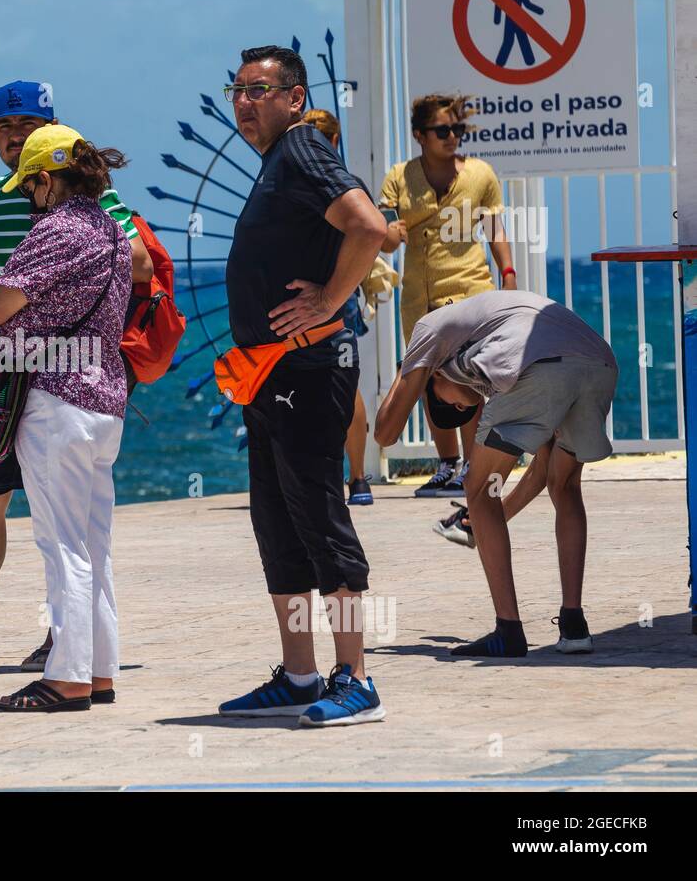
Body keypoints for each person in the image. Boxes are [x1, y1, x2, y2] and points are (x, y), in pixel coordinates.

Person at [0, 81, 150, 674]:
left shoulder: (85, 208)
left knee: (62, 532)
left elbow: (139, 260)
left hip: (55, 378)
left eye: (25, 124)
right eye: (3, 126)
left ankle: (64, 654)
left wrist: (41, 281)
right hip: (3, 377)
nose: (14, 135)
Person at [215, 46, 388, 727]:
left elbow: (369, 226)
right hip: (269, 374)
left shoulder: (302, 147)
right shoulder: (277, 165)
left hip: (309, 372)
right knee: (277, 522)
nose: (245, 102)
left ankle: (357, 678)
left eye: (259, 90)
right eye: (237, 89)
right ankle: (298, 675)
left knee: (320, 518)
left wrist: (330, 301)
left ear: (294, 96)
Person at [374, 290, 618, 657]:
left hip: (542, 366)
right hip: (598, 364)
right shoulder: (488, 339)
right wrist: (486, 519)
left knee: (478, 487)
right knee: (564, 485)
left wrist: (405, 368)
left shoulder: (429, 330)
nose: (459, 406)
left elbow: (385, 434)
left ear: (435, 374)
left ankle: (508, 631)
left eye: (449, 402)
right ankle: (574, 625)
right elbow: (539, 473)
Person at [379, 94, 517, 498]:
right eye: (442, 130)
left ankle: (474, 465)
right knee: (426, 380)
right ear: (420, 135)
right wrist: (389, 235)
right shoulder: (399, 177)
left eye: (457, 129)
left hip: (472, 290)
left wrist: (508, 276)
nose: (452, 137)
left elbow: (496, 229)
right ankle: (447, 465)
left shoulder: (480, 173)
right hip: (422, 299)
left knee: (472, 379)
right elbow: (385, 237)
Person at [303, 108, 373, 506]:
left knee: (311, 383)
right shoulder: (350, 185)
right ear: (336, 141)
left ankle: (325, 476)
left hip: (308, 296)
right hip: (341, 295)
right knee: (347, 384)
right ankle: (359, 477)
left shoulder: (297, 181)